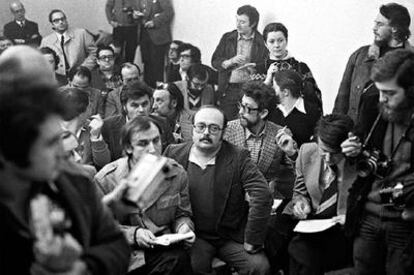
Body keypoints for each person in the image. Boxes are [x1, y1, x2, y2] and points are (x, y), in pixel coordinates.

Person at [0, 83, 129, 274]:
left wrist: (85, 266)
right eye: (55, 146)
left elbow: (114, 247)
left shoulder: (80, 180)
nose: (75, 158)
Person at [164, 105, 272, 275]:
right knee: (191, 267)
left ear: (223, 132)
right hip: (193, 235)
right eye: (201, 126)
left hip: (229, 236)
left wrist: (252, 239)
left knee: (259, 266)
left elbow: (262, 194)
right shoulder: (173, 153)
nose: (206, 132)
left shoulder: (238, 157)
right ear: (192, 129)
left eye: (214, 128)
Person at [343, 49, 414, 274]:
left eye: (390, 93)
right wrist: (351, 151)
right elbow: (360, 150)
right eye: (380, 91)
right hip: (367, 218)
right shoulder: (374, 102)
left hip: (405, 225)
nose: (382, 99)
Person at [95, 116, 194, 274]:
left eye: (156, 141)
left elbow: (182, 214)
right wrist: (134, 234)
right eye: (143, 143)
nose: (153, 149)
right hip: (125, 253)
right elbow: (99, 228)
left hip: (163, 250)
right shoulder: (106, 179)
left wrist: (184, 227)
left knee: (178, 260)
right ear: (128, 148)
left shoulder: (176, 173)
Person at [286, 114, 355, 274]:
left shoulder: (356, 164)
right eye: (324, 151)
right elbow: (299, 192)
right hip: (313, 226)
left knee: (303, 252)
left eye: (335, 153)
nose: (329, 158)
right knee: (297, 247)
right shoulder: (306, 152)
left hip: (343, 230)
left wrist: (350, 218)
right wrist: (300, 203)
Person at [333, 3, 413, 122]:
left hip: (392, 137)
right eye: (375, 23)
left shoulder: (410, 62)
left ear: (395, 28)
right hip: (355, 136)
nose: (374, 28)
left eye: (379, 24)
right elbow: (341, 103)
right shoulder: (359, 56)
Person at [224, 80, 296, 199]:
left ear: (263, 113)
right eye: (241, 105)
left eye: (247, 108)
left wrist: (291, 153)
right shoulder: (227, 130)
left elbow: (298, 173)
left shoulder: (280, 134)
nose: (240, 112)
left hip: (266, 200)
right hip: (232, 199)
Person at [90, 80, 174, 167]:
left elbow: (172, 156)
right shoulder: (108, 126)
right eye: (135, 105)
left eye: (145, 104)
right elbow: (103, 165)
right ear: (124, 106)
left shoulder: (162, 123)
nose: (141, 110)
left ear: (151, 102)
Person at [211, 5, 268, 121]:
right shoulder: (228, 38)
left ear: (252, 24)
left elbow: (267, 64)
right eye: (237, 20)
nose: (237, 24)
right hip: (229, 88)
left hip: (250, 90)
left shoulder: (262, 41)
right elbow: (214, 61)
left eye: (242, 22)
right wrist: (229, 61)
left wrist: (255, 68)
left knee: (248, 122)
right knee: (228, 123)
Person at [261, 22, 322, 113]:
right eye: (272, 41)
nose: (277, 45)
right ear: (265, 44)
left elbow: (315, 99)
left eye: (280, 40)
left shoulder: (301, 67)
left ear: (286, 41)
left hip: (298, 121)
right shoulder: (258, 69)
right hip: (268, 122)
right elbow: (251, 103)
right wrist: (267, 81)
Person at [269, 70, 321, 147]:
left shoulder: (312, 111)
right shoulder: (272, 108)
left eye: (274, 87)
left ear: (285, 92)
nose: (272, 89)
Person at [41, 9, 97, 77]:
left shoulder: (81, 34)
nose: (61, 22)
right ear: (52, 24)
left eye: (62, 19)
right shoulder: (46, 41)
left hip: (80, 76)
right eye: (56, 21)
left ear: (66, 20)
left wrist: (84, 68)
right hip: (58, 78)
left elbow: (94, 52)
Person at [136, 0, 174, 88]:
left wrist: (155, 22)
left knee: (157, 66)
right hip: (144, 34)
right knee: (146, 64)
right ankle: (147, 91)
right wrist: (135, 15)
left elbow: (169, 12)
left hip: (158, 37)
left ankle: (158, 92)